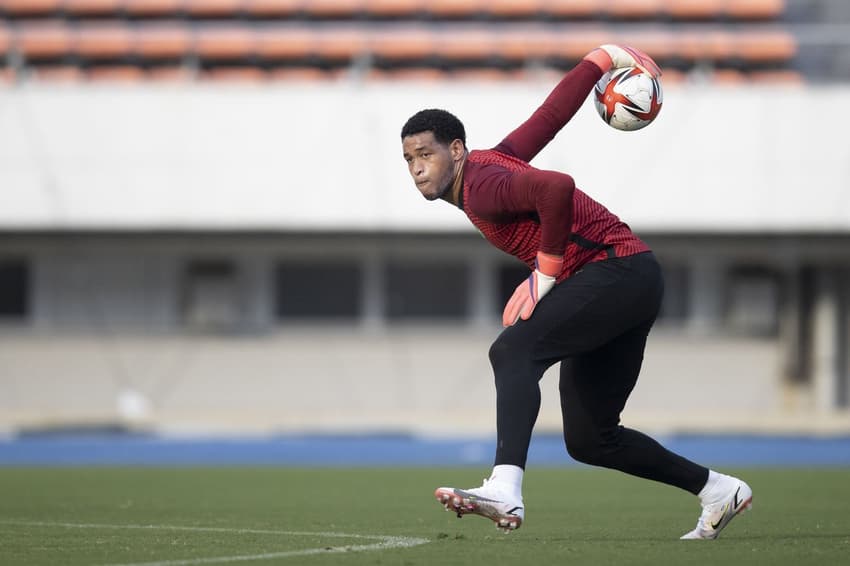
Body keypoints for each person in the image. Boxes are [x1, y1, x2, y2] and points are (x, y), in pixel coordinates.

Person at [400, 44, 752, 540]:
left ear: (455, 150)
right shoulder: (493, 163)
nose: (417, 168)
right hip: (632, 277)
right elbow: (549, 117)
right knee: (591, 439)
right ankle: (718, 489)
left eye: (426, 154)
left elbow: (557, 188)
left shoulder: (480, 185)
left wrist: (543, 273)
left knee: (513, 350)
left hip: (617, 271)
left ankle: (504, 487)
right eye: (409, 159)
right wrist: (601, 59)